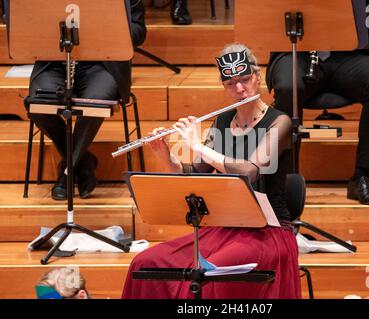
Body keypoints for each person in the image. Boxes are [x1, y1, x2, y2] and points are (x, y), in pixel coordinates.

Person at [122, 43, 300, 299]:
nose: (240, 89)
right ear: (223, 85)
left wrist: (197, 145)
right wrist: (165, 155)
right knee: (146, 263)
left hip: (268, 231)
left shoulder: (279, 123)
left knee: (209, 277)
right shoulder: (223, 122)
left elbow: (250, 172)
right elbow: (194, 176)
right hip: (227, 227)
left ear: (258, 75)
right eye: (231, 83)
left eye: (245, 79)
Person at [266, 0, 369, 205]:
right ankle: (284, 181)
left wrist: (349, 11)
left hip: (352, 54)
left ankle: (362, 176)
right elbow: (266, 13)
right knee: (288, 87)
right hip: (298, 50)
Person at [25, 0, 147, 200]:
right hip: (55, 59)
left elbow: (138, 31)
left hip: (104, 63)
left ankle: (67, 173)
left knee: (95, 103)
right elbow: (30, 24)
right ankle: (82, 162)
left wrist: (106, 29)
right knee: (37, 104)